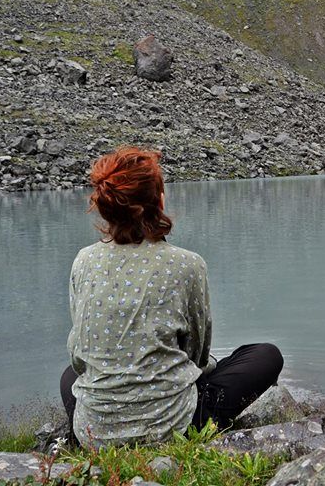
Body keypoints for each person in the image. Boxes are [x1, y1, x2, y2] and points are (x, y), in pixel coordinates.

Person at [60, 147, 283, 447]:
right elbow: (197, 353)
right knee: (265, 355)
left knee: (67, 378)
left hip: (94, 431)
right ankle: (169, 427)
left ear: (106, 205)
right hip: (174, 424)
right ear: (159, 201)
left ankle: (92, 430)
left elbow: (79, 355)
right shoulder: (187, 264)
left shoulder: (84, 261)